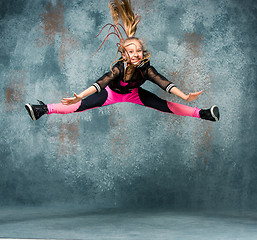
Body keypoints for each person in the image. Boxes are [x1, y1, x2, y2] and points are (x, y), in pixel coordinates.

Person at [25, 0, 219, 122]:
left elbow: (164, 83)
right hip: (111, 94)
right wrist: (80, 96)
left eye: (139, 51)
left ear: (143, 53)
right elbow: (100, 84)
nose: (136, 54)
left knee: (166, 106)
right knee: (77, 107)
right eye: (131, 51)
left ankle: (203, 114)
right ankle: (41, 109)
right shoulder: (118, 68)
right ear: (125, 55)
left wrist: (184, 96)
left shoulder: (146, 69)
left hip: (135, 94)